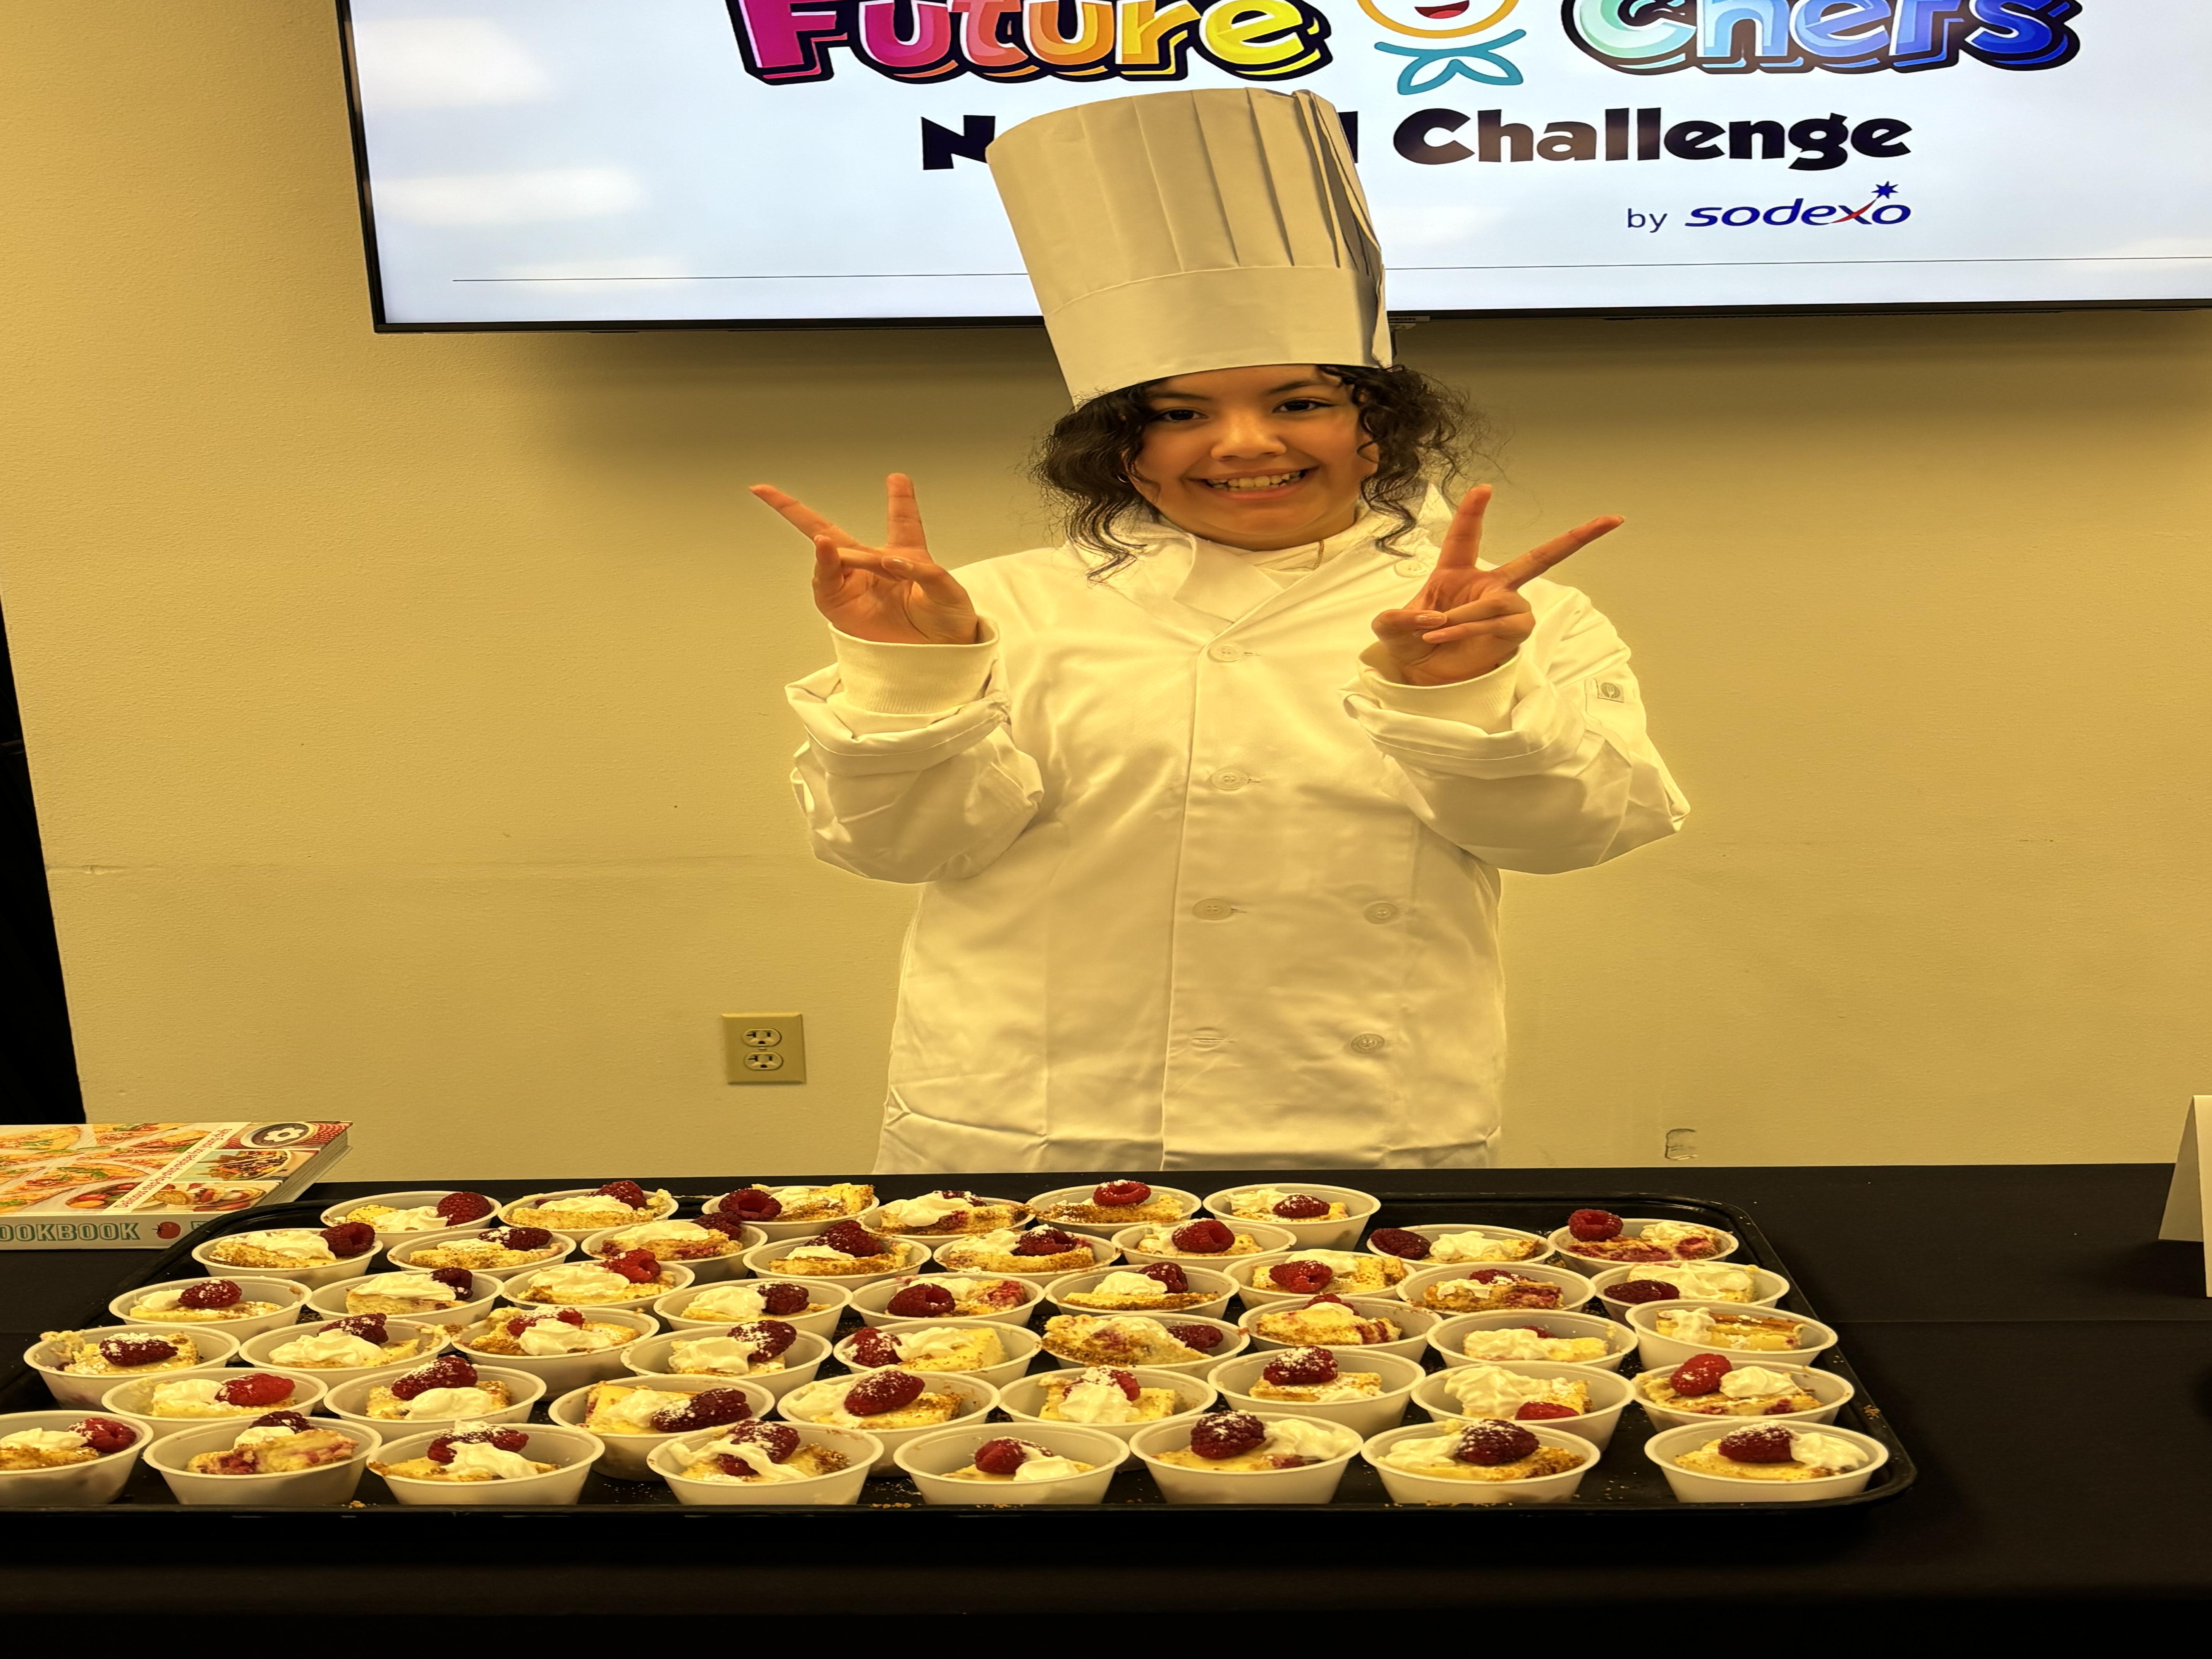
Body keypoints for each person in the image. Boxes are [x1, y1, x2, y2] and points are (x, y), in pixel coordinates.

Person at [753, 89, 1687, 1173]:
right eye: (1182, 412)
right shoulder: (990, 608)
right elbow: (894, 848)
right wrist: (913, 681)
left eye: (1299, 403)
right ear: (1125, 453)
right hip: (1028, 1127)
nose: (1245, 444)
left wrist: (1459, 699)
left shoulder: (1518, 619)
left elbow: (1568, 837)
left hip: (1361, 1130)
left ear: (1373, 434)